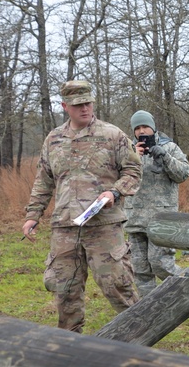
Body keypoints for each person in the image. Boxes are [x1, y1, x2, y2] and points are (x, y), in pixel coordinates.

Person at [21, 80, 143, 332]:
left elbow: (133, 170)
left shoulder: (112, 135)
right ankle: (71, 345)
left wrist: (115, 192)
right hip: (65, 227)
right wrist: (33, 215)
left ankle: (143, 336)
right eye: (78, 105)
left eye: (88, 103)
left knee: (118, 286)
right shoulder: (53, 139)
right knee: (64, 289)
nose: (84, 109)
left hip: (104, 226)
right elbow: (43, 180)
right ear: (65, 106)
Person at [124, 110, 189, 296]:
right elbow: (114, 177)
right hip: (134, 218)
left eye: (145, 126)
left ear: (153, 127)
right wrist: (132, 157)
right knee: (140, 268)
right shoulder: (127, 149)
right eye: (137, 128)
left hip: (161, 218)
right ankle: (151, 307)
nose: (142, 131)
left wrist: (165, 157)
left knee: (161, 263)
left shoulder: (169, 147)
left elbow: (184, 174)